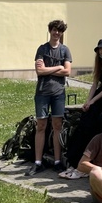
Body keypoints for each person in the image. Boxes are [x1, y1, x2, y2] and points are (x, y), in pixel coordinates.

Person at [61, 38, 102, 180]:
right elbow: (94, 85)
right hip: (98, 96)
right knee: (83, 124)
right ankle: (75, 161)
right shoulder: (99, 64)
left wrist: (93, 100)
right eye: (100, 49)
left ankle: (86, 164)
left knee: (95, 125)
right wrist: (88, 102)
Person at [26, 19, 71, 176]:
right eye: (54, 30)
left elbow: (67, 71)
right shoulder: (42, 49)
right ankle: (38, 162)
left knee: (57, 125)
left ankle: (57, 161)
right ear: (50, 31)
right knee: (41, 126)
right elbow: (39, 71)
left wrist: (48, 69)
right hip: (42, 93)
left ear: (62, 33)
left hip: (58, 93)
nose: (56, 33)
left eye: (59, 30)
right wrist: (58, 66)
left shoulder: (65, 50)